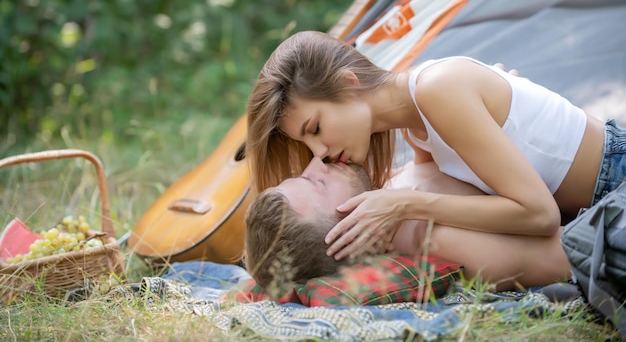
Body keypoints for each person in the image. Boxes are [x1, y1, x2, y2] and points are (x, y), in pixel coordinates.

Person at [246, 30, 626, 261]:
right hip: (596, 205)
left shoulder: (436, 91)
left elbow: (540, 217)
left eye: (315, 128)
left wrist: (406, 204)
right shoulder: (416, 124)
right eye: (305, 142)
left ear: (348, 83)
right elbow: (430, 182)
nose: (319, 153)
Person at [243, 157, 570, 292]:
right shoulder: (440, 240)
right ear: (353, 238)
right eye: (319, 184)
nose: (318, 161)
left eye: (304, 173)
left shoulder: (391, 199)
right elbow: (567, 253)